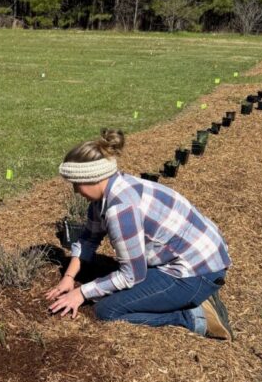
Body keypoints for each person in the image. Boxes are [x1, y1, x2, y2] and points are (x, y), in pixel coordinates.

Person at [46, 129, 233, 339]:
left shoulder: (121, 209)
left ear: (92, 178)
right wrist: (69, 277)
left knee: (107, 311)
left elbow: (131, 275)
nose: (76, 191)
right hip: (198, 259)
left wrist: (80, 293)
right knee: (109, 290)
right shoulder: (116, 188)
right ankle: (191, 297)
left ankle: (193, 316)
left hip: (198, 272)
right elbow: (89, 238)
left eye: (76, 184)